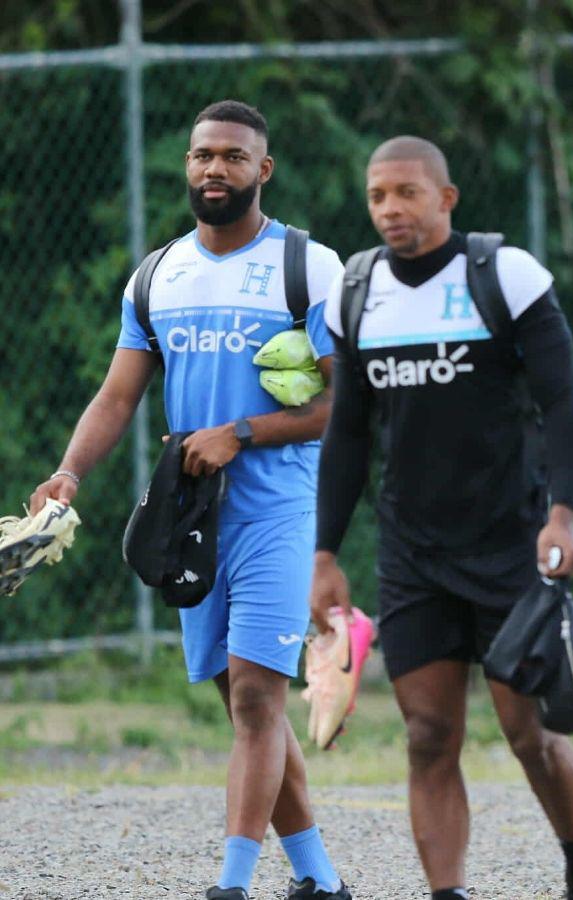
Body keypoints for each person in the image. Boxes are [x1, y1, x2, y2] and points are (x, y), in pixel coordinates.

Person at [28, 100, 351, 900]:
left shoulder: (308, 268)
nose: (216, 169)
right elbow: (116, 396)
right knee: (246, 704)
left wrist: (241, 432)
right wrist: (69, 473)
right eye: (203, 155)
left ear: (263, 171)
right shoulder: (157, 274)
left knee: (254, 696)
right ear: (187, 166)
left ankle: (230, 887)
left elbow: (349, 405)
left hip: (281, 508)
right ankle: (321, 881)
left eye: (234, 157)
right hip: (191, 515)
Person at [310, 135, 573, 900]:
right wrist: (324, 554)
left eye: (407, 193)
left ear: (446, 199)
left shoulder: (504, 277)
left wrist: (562, 514)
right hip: (413, 551)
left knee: (527, 736)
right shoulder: (355, 290)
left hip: (510, 542)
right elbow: (346, 434)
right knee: (426, 736)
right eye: (378, 195)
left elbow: (562, 406)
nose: (390, 209)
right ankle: (448, 894)